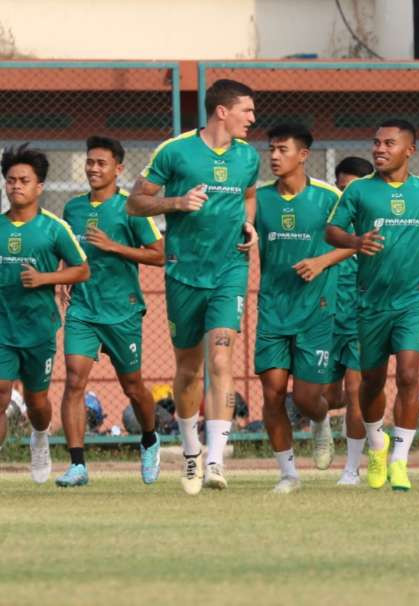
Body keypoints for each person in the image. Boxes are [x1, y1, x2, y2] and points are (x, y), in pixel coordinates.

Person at [127, 79, 260, 494]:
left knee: (222, 357)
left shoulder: (249, 157)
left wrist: (249, 224)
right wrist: (177, 203)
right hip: (184, 272)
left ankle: (217, 461)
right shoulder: (175, 150)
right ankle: (191, 454)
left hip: (229, 271)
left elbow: (249, 196)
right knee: (189, 369)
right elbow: (135, 203)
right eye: (247, 111)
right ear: (222, 111)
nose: (253, 119)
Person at [326, 118, 419, 492]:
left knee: (409, 375)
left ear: (409, 150)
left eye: (389, 143)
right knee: (372, 384)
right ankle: (377, 445)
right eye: (376, 142)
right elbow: (332, 231)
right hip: (369, 302)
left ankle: (399, 460)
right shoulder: (359, 191)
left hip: (411, 299)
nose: (379, 149)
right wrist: (357, 241)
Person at [56, 136, 165, 488]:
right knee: (74, 379)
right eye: (89, 162)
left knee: (133, 386)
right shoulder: (73, 208)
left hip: (123, 310)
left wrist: (114, 246)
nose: (93, 168)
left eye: (101, 163)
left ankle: (149, 439)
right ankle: (77, 465)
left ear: (119, 169)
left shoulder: (131, 208)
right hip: (84, 308)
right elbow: (69, 248)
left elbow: (160, 254)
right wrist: (61, 274)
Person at [254, 123, 356, 493]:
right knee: (272, 392)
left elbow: (354, 241)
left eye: (283, 149)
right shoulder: (260, 198)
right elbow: (239, 231)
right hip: (272, 310)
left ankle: (321, 421)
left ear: (303, 154)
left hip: (317, 310)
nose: (275, 156)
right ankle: (288, 474)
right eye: (272, 150)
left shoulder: (329, 197)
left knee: (307, 397)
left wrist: (322, 262)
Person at [0, 144, 90, 483]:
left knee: (38, 402)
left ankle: (40, 439)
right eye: (10, 180)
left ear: (39, 186)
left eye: (24, 180)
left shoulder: (54, 228)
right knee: (0, 391)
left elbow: (82, 270)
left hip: (38, 329)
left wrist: (45, 279)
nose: (16, 186)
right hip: (2, 328)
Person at [329, 156, 374, 486]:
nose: (346, 196)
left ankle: (352, 468)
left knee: (356, 390)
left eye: (353, 190)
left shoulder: (378, 222)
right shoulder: (331, 221)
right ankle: (375, 419)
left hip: (362, 314)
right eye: (341, 189)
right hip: (327, 314)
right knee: (324, 398)